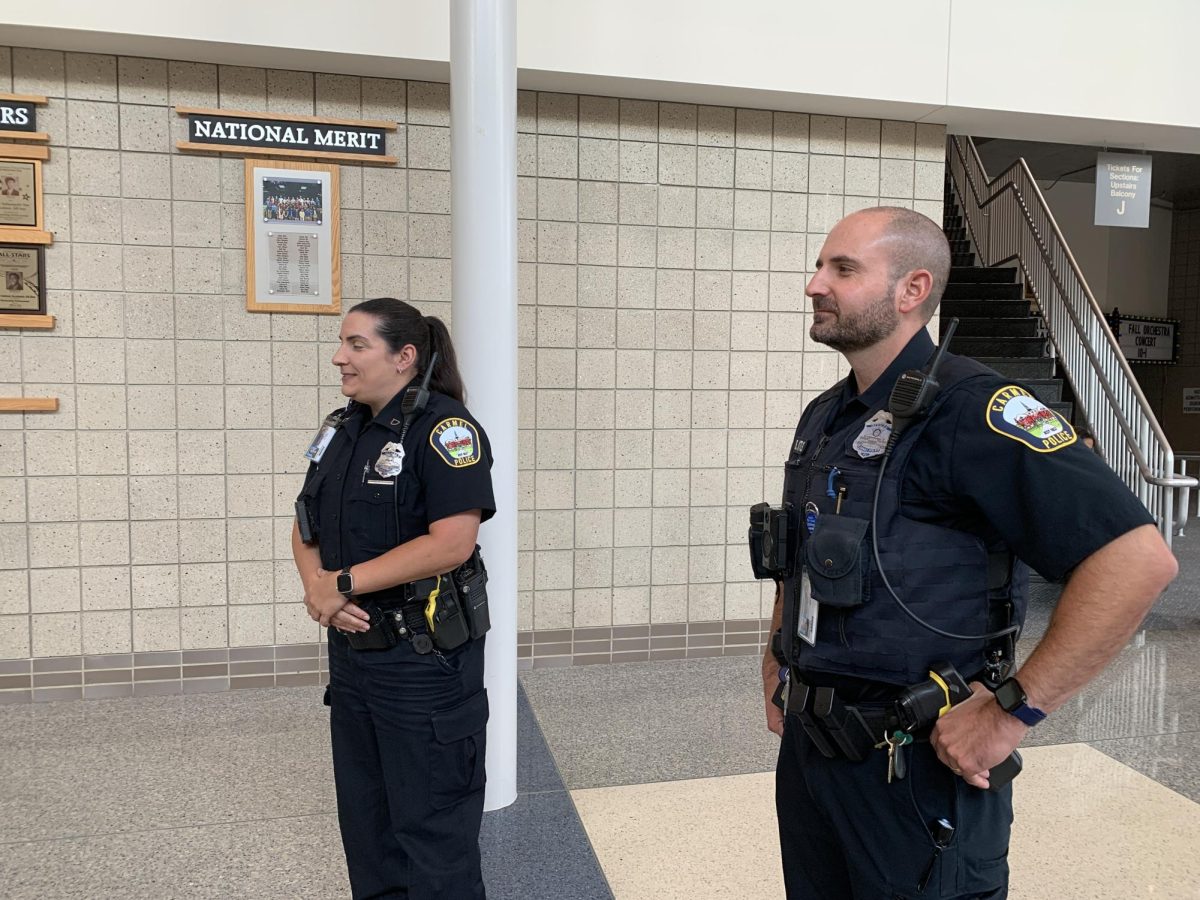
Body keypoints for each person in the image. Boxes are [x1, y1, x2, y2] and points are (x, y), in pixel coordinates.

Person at [756, 207, 1177, 899]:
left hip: (917, 768)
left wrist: (1010, 713)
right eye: (820, 266)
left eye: (842, 269)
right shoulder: (827, 416)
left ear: (912, 288)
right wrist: (777, 652)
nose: (814, 284)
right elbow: (800, 551)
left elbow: (1137, 559)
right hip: (813, 760)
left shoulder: (978, 409)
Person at [292, 297, 495, 899]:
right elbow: (306, 522)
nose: (340, 359)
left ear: (404, 357)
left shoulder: (446, 428)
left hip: (423, 662)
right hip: (354, 660)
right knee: (368, 823)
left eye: (357, 345)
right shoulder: (339, 428)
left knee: (431, 830)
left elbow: (452, 544)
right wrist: (317, 590)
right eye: (343, 344)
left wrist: (343, 584)